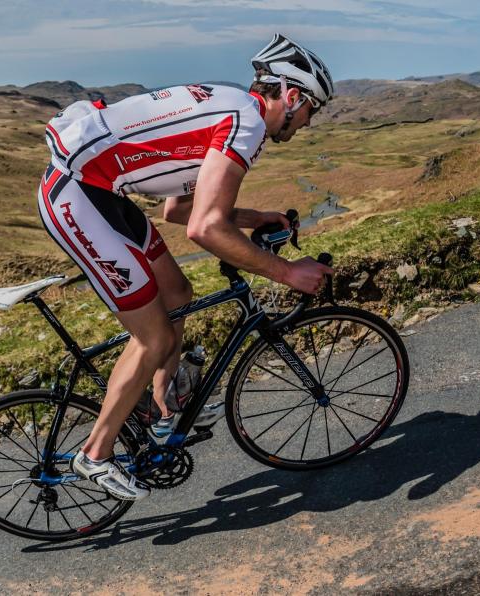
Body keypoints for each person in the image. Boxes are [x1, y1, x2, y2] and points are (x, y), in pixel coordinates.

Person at [36, 34, 335, 500]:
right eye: (311, 110)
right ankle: (94, 453)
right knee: (153, 336)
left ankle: (158, 413)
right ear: (292, 97)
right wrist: (287, 271)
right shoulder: (247, 125)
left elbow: (178, 211)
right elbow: (205, 230)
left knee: (177, 295)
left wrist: (256, 218)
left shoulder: (234, 109)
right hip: (78, 197)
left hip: (103, 193)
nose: (308, 123)